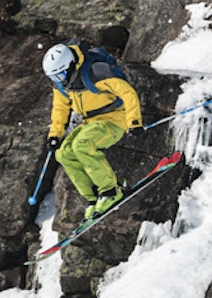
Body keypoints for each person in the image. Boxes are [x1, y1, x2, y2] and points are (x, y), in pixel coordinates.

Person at [42, 42, 144, 220]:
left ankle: (111, 191)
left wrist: (134, 121)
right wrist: (55, 134)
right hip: (89, 122)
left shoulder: (95, 71)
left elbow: (127, 92)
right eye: (54, 77)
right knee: (64, 153)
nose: (59, 80)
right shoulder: (62, 84)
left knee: (83, 145)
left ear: (71, 65)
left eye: (60, 75)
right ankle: (94, 197)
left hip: (113, 118)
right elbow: (60, 108)